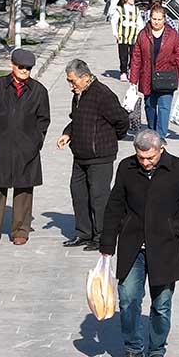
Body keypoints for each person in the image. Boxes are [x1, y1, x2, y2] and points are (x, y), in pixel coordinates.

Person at [100, 129, 179, 357]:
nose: (145, 163)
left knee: (162, 303)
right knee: (128, 299)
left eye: (150, 157)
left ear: (161, 149)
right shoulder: (127, 168)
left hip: (165, 246)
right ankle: (132, 348)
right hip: (132, 245)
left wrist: (176, 226)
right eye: (141, 157)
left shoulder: (178, 169)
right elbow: (115, 205)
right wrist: (107, 244)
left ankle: (156, 350)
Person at [0, 49, 52, 246]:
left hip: (27, 148)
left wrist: (36, 141)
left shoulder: (39, 91)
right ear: (12, 65)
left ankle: (20, 231)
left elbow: (44, 120)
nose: (25, 71)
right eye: (21, 67)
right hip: (1, 146)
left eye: (28, 68)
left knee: (24, 190)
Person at [57, 60, 129, 250]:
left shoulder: (103, 94)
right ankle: (83, 233)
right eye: (68, 81)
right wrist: (67, 133)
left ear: (85, 77)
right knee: (79, 194)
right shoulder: (78, 94)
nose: (71, 85)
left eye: (73, 81)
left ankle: (101, 236)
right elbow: (76, 119)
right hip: (79, 155)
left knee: (99, 197)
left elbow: (122, 121)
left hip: (100, 156)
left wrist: (108, 139)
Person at [129, 5, 179, 139]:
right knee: (150, 106)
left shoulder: (173, 35)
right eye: (153, 19)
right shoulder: (143, 34)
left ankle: (161, 136)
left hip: (166, 76)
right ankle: (152, 130)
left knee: (164, 107)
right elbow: (136, 57)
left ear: (164, 19)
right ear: (149, 18)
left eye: (159, 19)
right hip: (147, 76)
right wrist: (133, 79)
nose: (156, 22)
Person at [109, 0, 142, 81]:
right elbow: (114, 21)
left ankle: (132, 70)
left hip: (134, 36)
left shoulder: (136, 9)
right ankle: (123, 71)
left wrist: (141, 31)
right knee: (123, 55)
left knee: (134, 54)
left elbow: (139, 21)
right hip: (122, 36)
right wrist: (115, 33)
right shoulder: (119, 9)